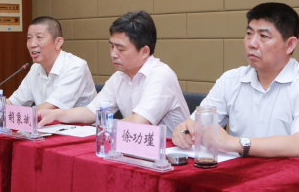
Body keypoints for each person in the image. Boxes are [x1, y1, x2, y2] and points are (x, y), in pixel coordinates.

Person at [171, 2, 299, 159]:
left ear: (290, 45)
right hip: (238, 172)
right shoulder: (230, 80)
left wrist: (235, 143)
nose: (252, 43)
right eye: (249, 33)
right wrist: (184, 131)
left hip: (287, 173)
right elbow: (196, 125)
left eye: (263, 36)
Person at [37, 10, 189, 130]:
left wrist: (105, 128)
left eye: (120, 49)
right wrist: (54, 114)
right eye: (111, 46)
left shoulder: (161, 75)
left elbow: (139, 122)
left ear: (144, 51)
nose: (113, 54)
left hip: (171, 155)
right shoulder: (119, 77)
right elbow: (91, 112)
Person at [0, 16, 96, 114]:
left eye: (39, 37)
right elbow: (14, 102)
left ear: (58, 42)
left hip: (80, 135)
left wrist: (15, 114)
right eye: (29, 38)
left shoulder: (75, 67)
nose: (32, 44)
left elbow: (50, 108)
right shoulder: (36, 68)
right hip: (47, 129)